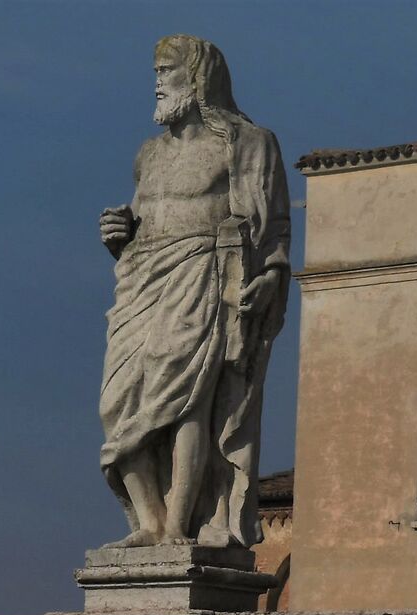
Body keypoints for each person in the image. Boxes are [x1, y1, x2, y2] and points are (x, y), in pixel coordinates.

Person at [95, 35, 289, 549]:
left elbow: (273, 230)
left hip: (202, 273)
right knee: (118, 404)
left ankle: (179, 527)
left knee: (185, 403)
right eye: (155, 73)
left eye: (165, 72)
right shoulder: (149, 155)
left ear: (197, 79)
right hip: (141, 280)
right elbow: (142, 218)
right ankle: (149, 522)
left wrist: (268, 275)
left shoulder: (247, 144)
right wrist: (120, 233)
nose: (156, 85)